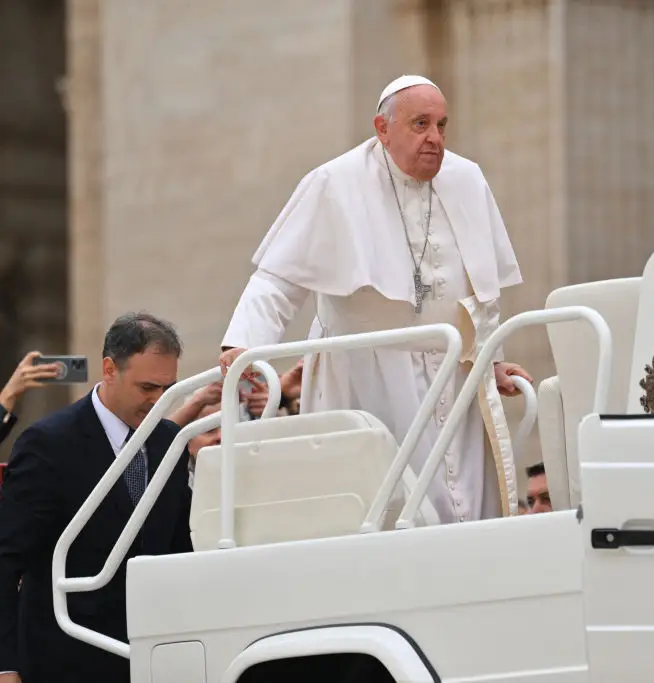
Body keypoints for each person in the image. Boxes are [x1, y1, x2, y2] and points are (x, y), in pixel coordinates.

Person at [220, 74, 531, 523]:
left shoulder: (467, 179)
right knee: (388, 512)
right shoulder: (334, 183)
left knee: (463, 511)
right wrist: (243, 344)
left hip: (455, 378)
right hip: (367, 377)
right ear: (382, 128)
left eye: (442, 125)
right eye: (420, 124)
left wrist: (493, 360)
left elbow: (482, 292)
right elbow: (277, 279)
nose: (435, 138)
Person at [0, 312, 194, 683]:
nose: (158, 401)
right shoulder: (48, 444)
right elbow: (2, 558)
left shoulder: (168, 442)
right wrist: (0, 667)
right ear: (110, 370)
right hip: (63, 658)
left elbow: (177, 550)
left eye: (167, 389)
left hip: (148, 661)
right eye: (147, 388)